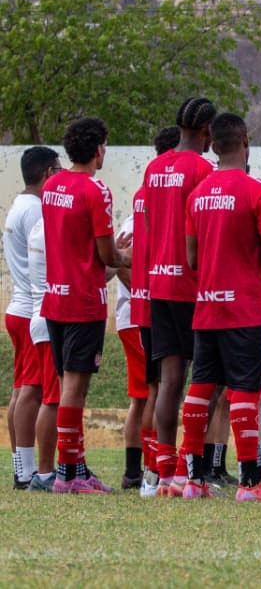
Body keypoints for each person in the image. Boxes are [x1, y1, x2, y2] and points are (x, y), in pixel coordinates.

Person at [180, 113, 261, 503]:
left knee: (201, 386)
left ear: (212, 144)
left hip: (208, 304)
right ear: (246, 141)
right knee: (246, 390)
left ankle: (192, 480)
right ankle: (249, 483)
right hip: (246, 306)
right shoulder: (259, 190)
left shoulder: (197, 194)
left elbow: (192, 259)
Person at [42, 116, 131, 493]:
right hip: (83, 301)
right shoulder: (96, 191)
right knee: (75, 392)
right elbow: (105, 251)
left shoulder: (51, 186)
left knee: (67, 389)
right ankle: (67, 475)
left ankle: (76, 468)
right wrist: (127, 256)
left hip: (55, 298)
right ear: (98, 150)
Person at [144, 97, 216, 493]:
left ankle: (165, 472)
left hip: (159, 283)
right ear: (207, 131)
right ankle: (194, 473)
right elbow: (205, 229)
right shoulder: (203, 169)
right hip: (192, 286)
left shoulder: (155, 167)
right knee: (205, 381)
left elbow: (153, 223)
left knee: (170, 381)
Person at [126, 127, 180, 497]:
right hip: (168, 296)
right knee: (164, 388)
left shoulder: (143, 194)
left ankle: (146, 471)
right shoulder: (172, 191)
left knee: (151, 390)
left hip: (145, 301)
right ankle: (158, 469)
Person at [4, 146, 60, 490]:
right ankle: (27, 472)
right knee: (32, 392)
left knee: (20, 391)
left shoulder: (18, 206)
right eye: (57, 169)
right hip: (30, 309)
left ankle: (21, 468)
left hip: (18, 307)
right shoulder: (37, 211)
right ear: (46, 173)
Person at [25, 218, 60, 492]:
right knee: (52, 400)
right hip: (49, 319)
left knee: (53, 397)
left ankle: (62, 467)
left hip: (42, 317)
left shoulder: (39, 225)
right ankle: (46, 472)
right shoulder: (48, 228)